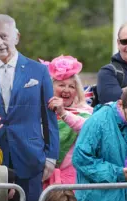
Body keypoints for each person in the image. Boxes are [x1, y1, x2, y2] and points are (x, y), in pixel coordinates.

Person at [0, 14, 59, 201]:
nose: (0, 42)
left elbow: (49, 118)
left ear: (17, 37)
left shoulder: (38, 71)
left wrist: (50, 156)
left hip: (31, 157)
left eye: (4, 36)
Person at [39, 55, 93, 187]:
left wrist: (63, 113)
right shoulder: (38, 112)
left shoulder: (85, 112)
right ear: (50, 87)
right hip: (42, 178)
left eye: (72, 87)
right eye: (61, 85)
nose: (66, 90)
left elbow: (89, 129)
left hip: (72, 180)